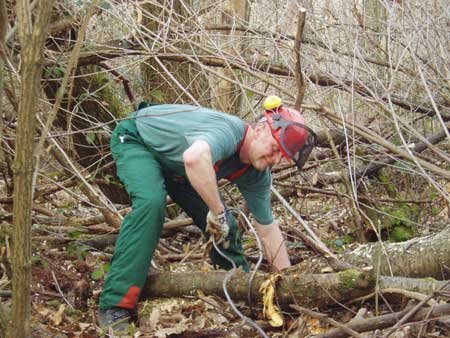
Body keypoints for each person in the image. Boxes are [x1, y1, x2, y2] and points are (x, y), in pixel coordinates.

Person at [98, 95, 316, 331]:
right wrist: (217, 211)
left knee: (227, 228)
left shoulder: (257, 173)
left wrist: (288, 285)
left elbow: (268, 228)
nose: (273, 159)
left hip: (178, 170)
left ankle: (237, 290)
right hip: (138, 139)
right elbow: (194, 158)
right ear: (261, 128)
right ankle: (116, 305)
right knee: (151, 203)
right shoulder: (228, 131)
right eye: (274, 148)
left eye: (280, 156)